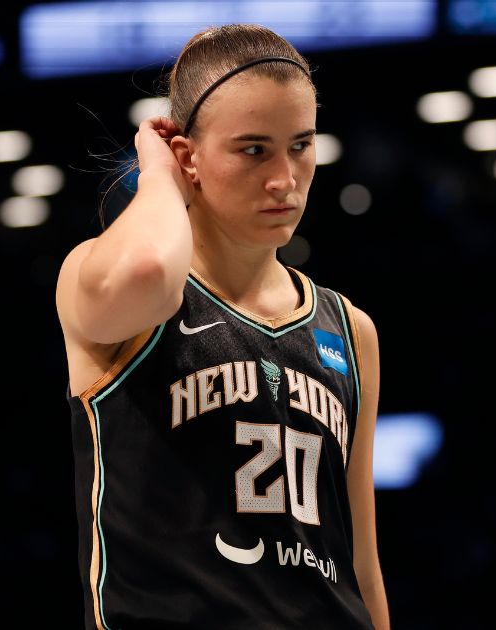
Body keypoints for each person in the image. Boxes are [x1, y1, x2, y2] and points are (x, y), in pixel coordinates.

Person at [55, 24, 390, 629]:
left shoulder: (350, 330)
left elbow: (361, 565)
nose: (285, 178)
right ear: (188, 156)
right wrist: (157, 174)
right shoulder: (101, 274)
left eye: (301, 144)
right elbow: (152, 265)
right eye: (254, 149)